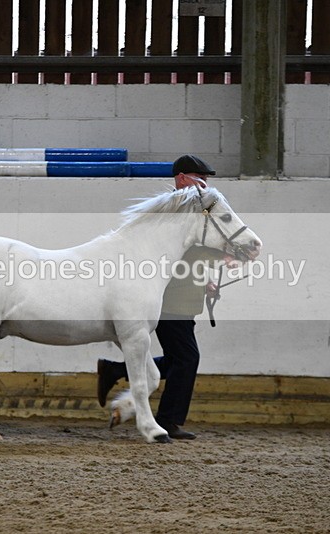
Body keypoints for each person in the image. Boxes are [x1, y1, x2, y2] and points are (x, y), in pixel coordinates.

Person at [97, 154, 222, 440]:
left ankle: (115, 370)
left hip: (183, 296)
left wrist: (207, 279)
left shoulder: (190, 211)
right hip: (168, 298)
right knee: (187, 358)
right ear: (181, 178)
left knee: (180, 357)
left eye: (206, 179)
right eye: (199, 178)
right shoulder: (172, 212)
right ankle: (168, 420)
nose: (204, 184)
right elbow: (171, 256)